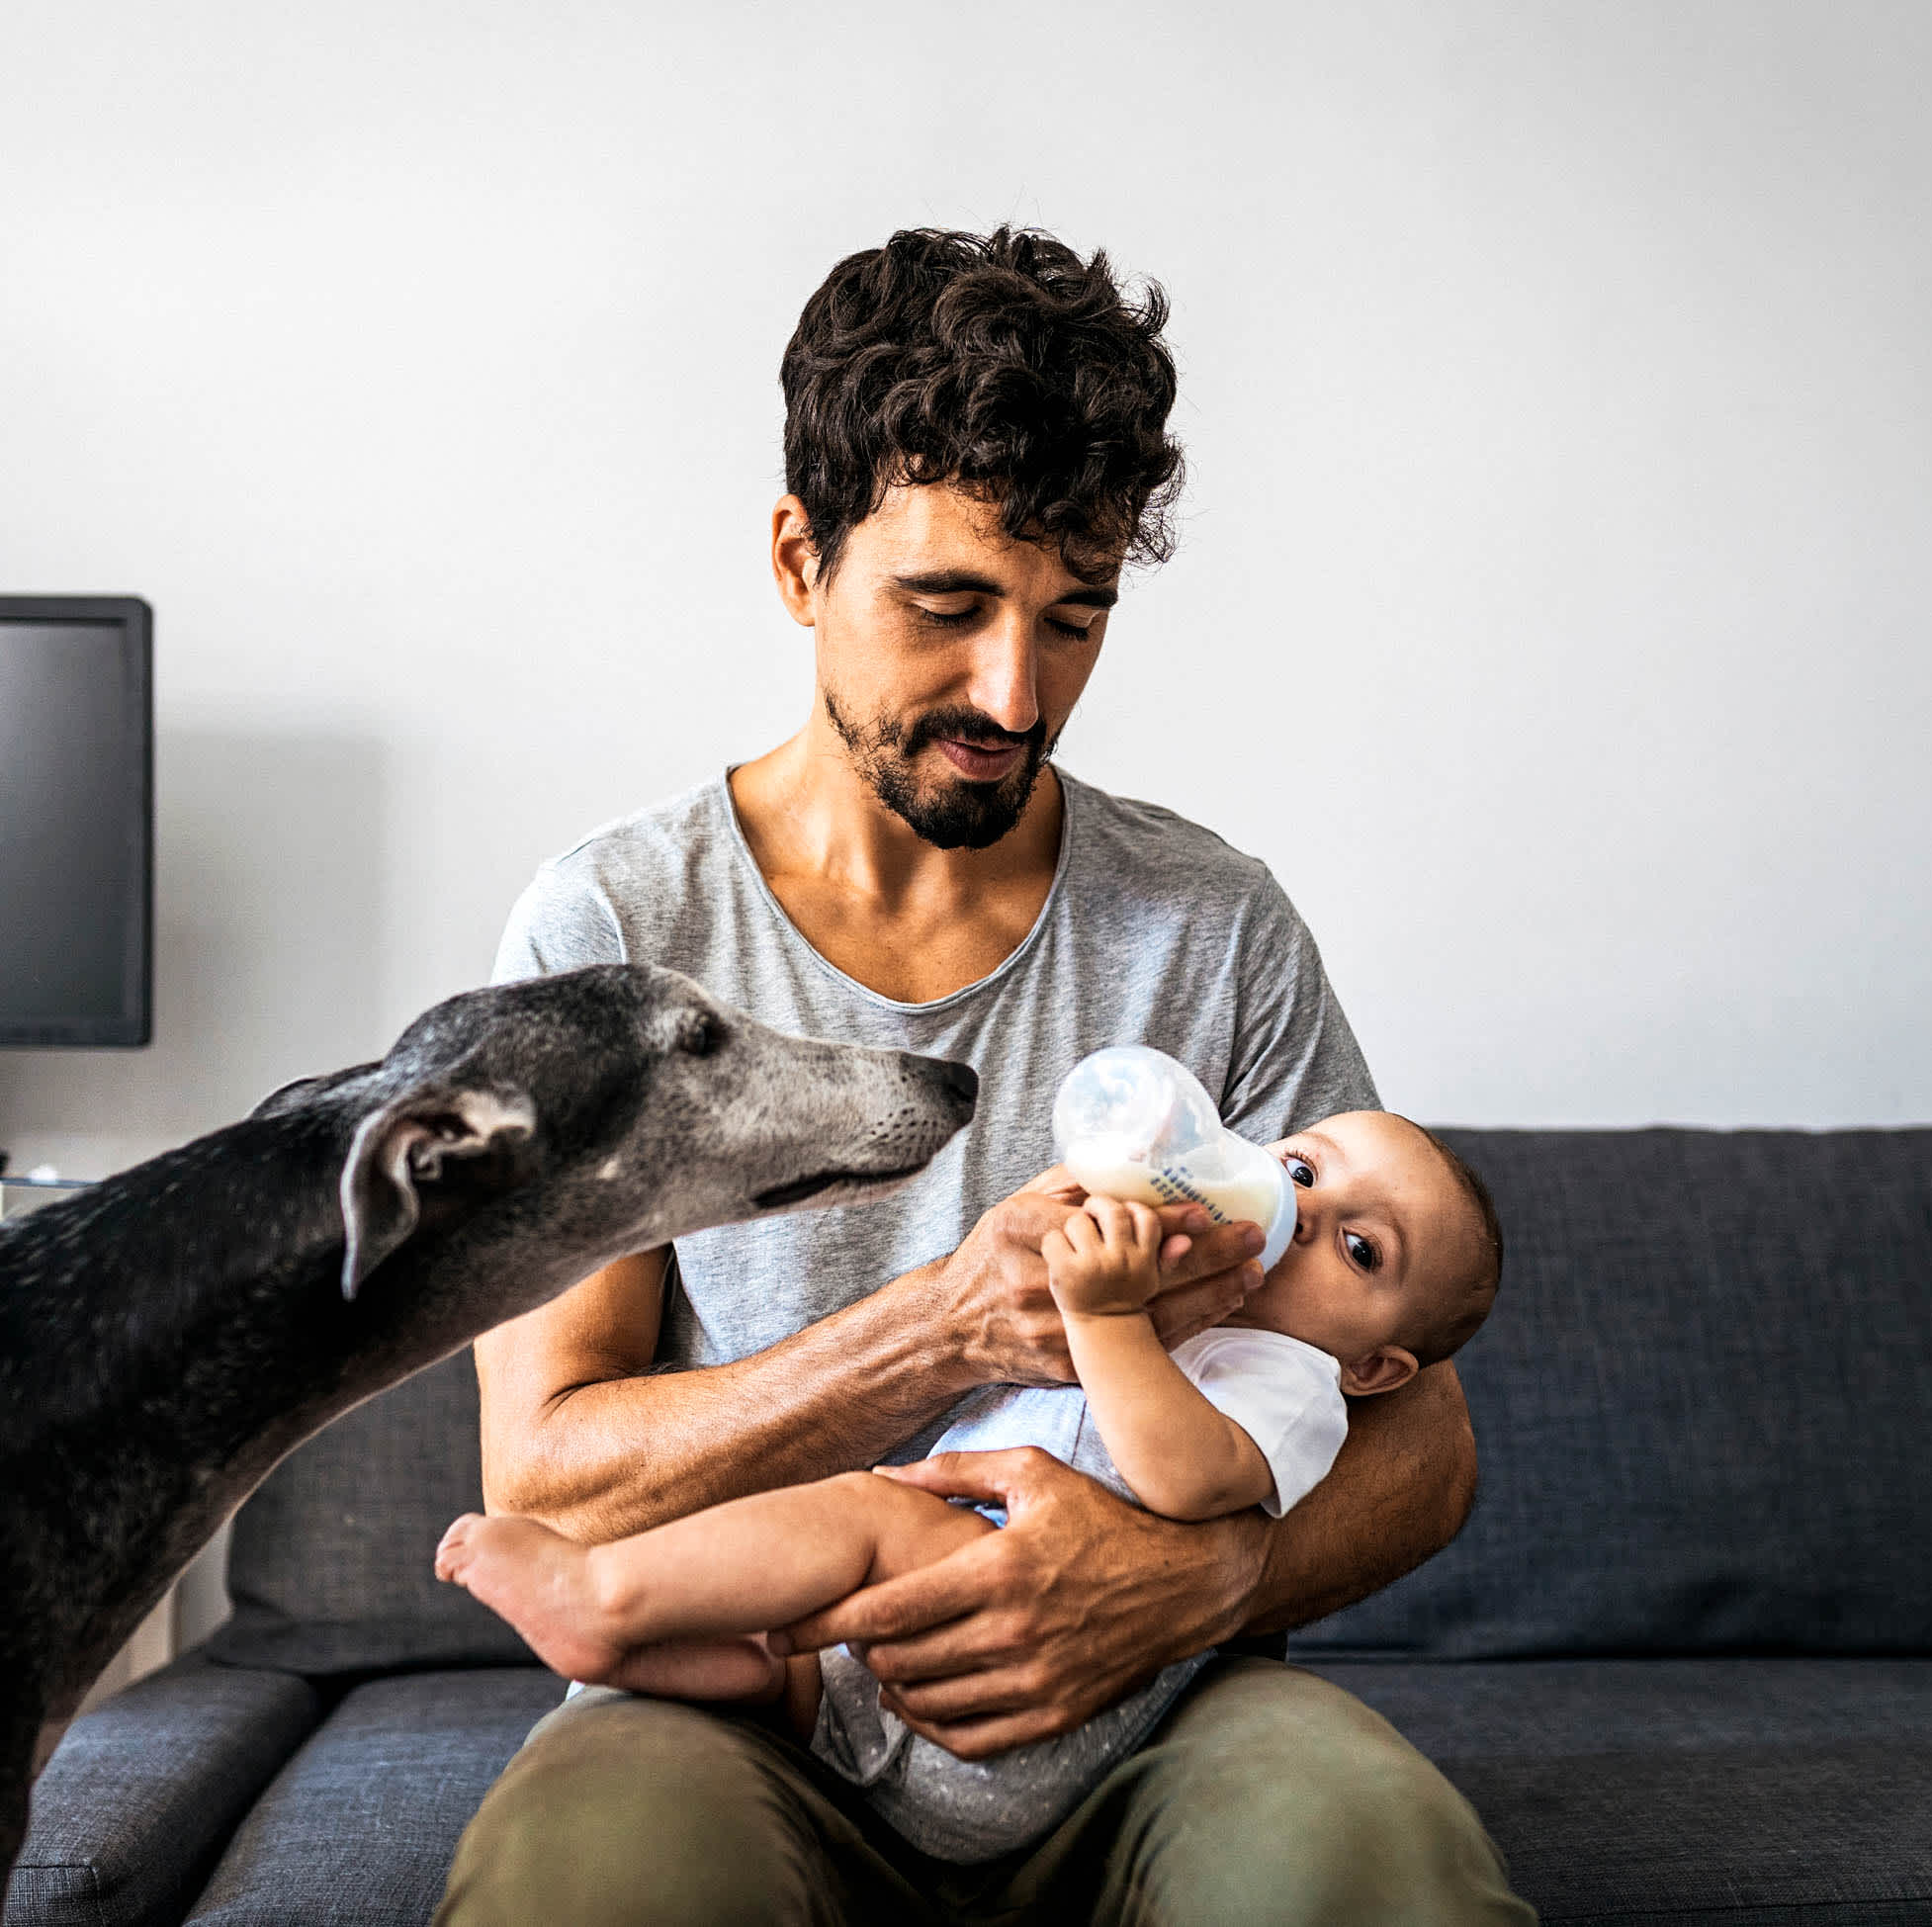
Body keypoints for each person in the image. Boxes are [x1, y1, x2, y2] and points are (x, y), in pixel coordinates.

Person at [434, 225, 1534, 1925]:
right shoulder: (618, 927)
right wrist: (944, 1326)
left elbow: (1421, 1441)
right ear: (801, 558)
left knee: (1367, 1862)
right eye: (946, 606)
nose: (1016, 695)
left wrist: (1178, 1579)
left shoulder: (1209, 921)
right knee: (601, 1881)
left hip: (1155, 1706)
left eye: (1074, 616)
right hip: (755, 1690)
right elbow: (552, 1473)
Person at [435, 1110, 1504, 1866]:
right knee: (789, 1634)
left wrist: (1104, 1317)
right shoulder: (1211, 1296)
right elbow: (543, 1460)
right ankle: (669, 1651)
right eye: (1302, 1174)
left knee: (865, 1512)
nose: (1306, 1217)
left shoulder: (1298, 1382)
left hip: (1022, 1722)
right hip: (899, 1661)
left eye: (1363, 1249)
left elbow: (1186, 1473)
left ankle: (608, 1595)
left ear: (1377, 1367)